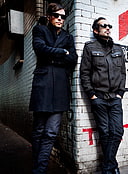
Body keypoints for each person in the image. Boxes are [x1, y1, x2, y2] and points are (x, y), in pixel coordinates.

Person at [29, 2, 78, 174]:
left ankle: (39, 170)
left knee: (50, 133)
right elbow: (40, 48)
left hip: (60, 89)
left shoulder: (68, 37)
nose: (60, 19)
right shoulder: (40, 30)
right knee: (39, 131)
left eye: (62, 17)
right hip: (42, 86)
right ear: (49, 16)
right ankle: (37, 164)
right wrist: (61, 53)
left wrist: (55, 54)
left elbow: (72, 59)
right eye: (56, 16)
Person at [80, 17, 126, 174]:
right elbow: (84, 73)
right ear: (95, 30)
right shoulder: (90, 47)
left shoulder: (118, 49)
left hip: (115, 98)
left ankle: (108, 166)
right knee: (105, 133)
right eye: (103, 26)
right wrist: (92, 95)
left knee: (117, 131)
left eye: (109, 25)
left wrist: (120, 93)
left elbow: (122, 73)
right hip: (99, 98)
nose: (107, 28)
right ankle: (112, 166)